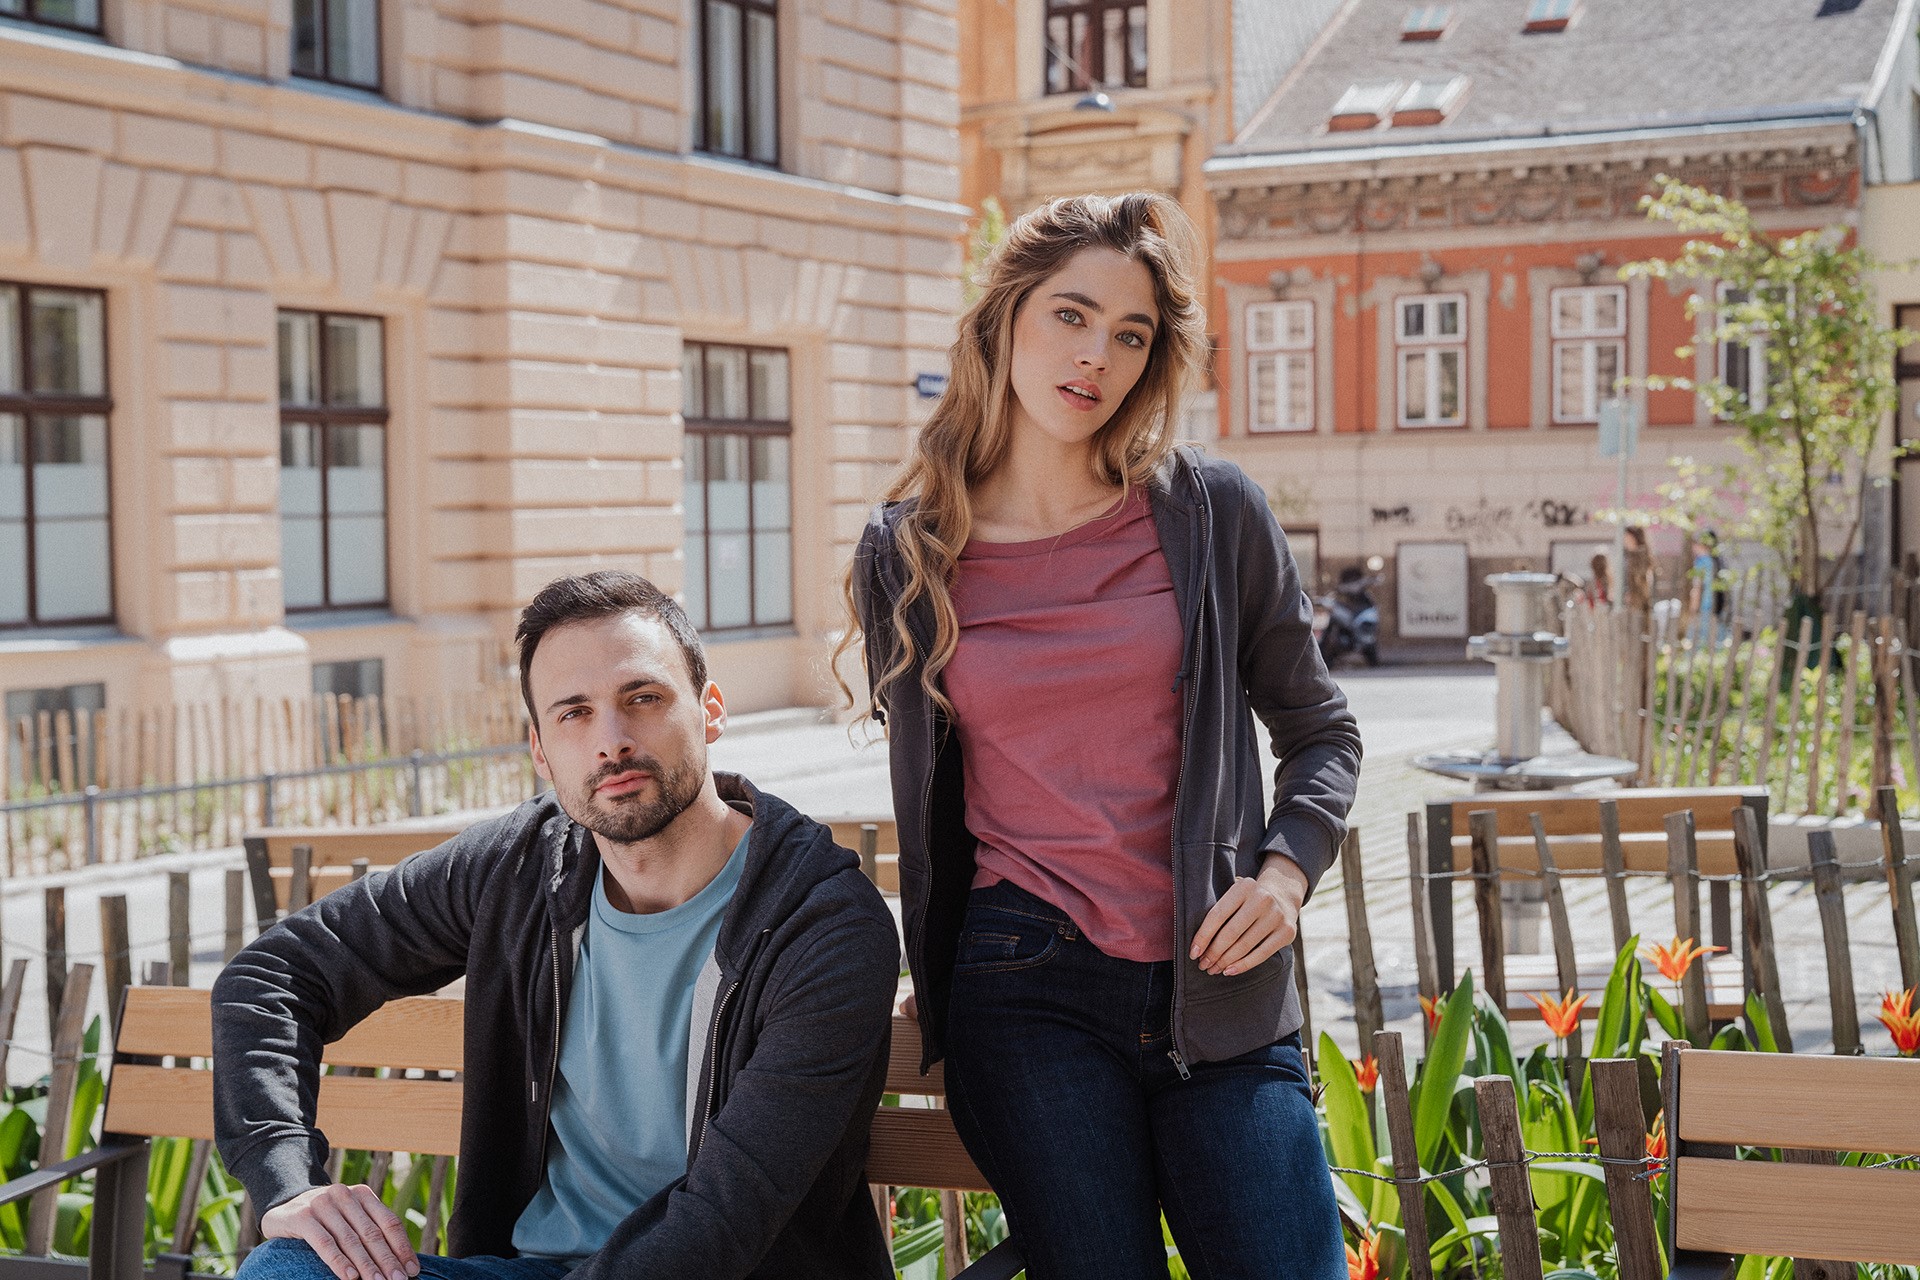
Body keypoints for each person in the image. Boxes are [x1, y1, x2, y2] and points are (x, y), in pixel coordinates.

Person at [841, 193, 1363, 1279]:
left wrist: (1283, 877)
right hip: (1023, 983)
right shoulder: (911, 553)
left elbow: (1321, 729)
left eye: (1131, 334)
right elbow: (936, 793)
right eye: (1072, 316)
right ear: (1005, 317)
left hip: (1218, 976)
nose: (1097, 357)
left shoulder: (1212, 513)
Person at [214, 572, 901, 1280]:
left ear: (710, 711)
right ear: (540, 750)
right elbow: (273, 976)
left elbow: (722, 1224)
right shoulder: (520, 868)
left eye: (643, 698)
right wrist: (288, 1182)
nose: (612, 742)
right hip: (529, 1272)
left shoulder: (822, 925)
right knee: (286, 1270)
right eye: (574, 713)